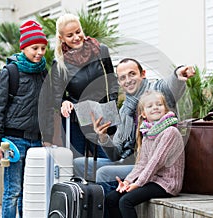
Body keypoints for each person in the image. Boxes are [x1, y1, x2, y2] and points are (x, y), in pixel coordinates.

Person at [74, 58, 194, 193]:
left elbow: (170, 84)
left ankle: (109, 209)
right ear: (119, 82)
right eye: (123, 77)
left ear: (143, 74)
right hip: (128, 160)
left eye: (132, 74)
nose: (128, 80)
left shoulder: (156, 92)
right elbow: (116, 155)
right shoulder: (124, 110)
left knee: (104, 173)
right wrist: (103, 137)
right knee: (79, 163)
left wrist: (179, 73)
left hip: (151, 165)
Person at [0, 20, 49, 218]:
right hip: (13, 141)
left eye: (43, 48)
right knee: (13, 191)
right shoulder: (10, 72)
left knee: (29, 190)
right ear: (23, 48)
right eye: (34, 48)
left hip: (36, 141)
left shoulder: (43, 72)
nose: (39, 52)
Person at [49, 13, 119, 160]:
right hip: (77, 120)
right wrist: (64, 102)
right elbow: (57, 96)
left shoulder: (101, 51)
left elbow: (112, 82)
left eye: (78, 31)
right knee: (78, 164)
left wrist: (110, 105)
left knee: (107, 160)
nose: (76, 37)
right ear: (61, 38)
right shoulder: (59, 63)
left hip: (102, 116)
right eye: (70, 35)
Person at [106, 90, 185, 218]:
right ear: (143, 113)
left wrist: (137, 184)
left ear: (165, 109)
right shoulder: (148, 134)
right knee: (111, 198)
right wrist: (127, 182)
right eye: (150, 106)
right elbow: (141, 164)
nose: (155, 107)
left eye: (159, 104)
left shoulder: (170, 132)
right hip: (152, 180)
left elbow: (156, 162)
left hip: (166, 183)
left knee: (126, 201)